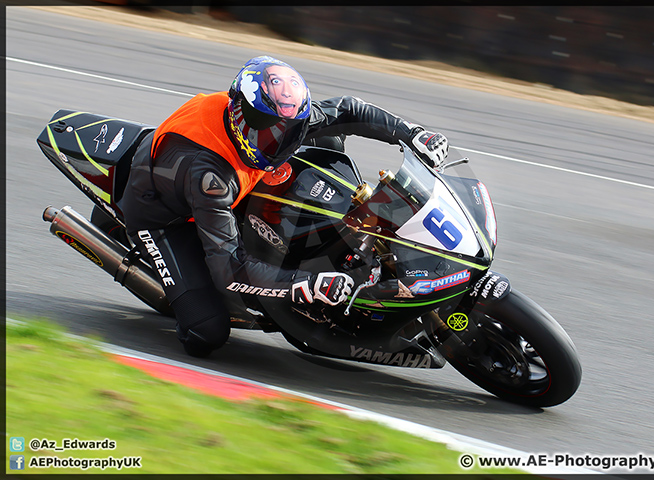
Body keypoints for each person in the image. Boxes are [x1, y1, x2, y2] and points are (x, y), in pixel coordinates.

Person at [117, 55, 449, 357]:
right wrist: (305, 283)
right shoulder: (209, 177)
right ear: (241, 119)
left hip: (231, 182)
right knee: (206, 333)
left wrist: (412, 133)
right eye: (271, 134)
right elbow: (230, 270)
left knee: (328, 141)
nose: (283, 141)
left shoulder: (281, 115)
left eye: (290, 132)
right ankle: (180, 290)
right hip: (163, 214)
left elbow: (348, 110)